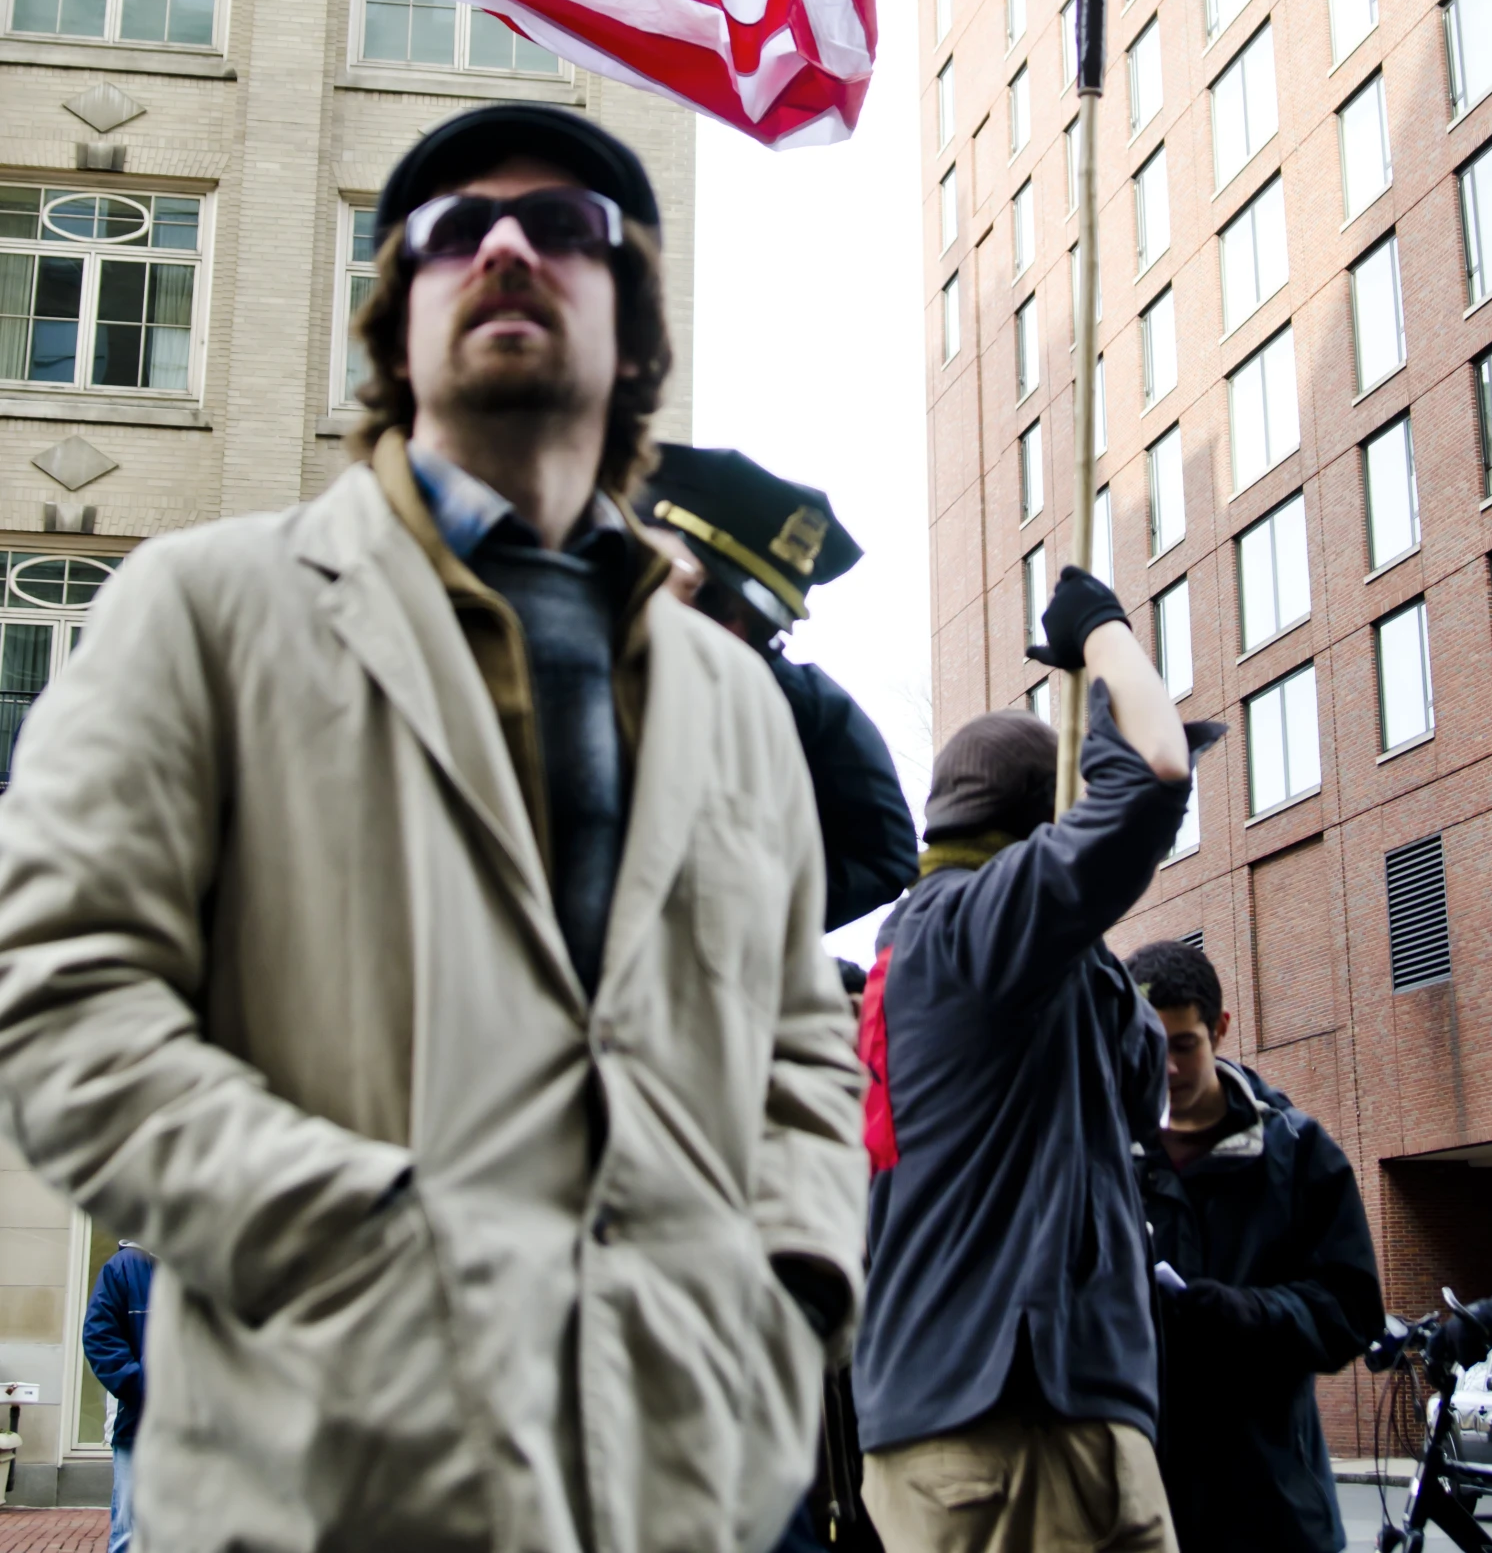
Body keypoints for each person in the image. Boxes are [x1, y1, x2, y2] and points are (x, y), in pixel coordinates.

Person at [0, 103, 866, 1553]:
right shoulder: (200, 607)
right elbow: (64, 1001)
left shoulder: (730, 695)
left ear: (636, 328)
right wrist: (382, 1239)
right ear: (393, 328)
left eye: (566, 227)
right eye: (455, 229)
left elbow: (796, 1049)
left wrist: (786, 1299)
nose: (508, 243)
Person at [852, 566, 1222, 1553]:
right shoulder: (976, 929)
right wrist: (1099, 633)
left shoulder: (950, 955)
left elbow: (1137, 1086)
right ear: (1031, 839)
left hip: (1027, 1413)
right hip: (1009, 1424)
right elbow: (1150, 770)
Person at [1125, 939, 1384, 1553]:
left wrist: (1253, 1315)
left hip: (1271, 1508)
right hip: (1136, 1508)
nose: (1166, 1069)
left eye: (1183, 1046)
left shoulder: (1297, 1152)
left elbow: (1352, 1308)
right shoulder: (1101, 1156)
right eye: (1148, 1048)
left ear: (1219, 1028)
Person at [640, 445, 918, 930]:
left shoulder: (794, 702)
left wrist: (734, 922)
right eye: (713, 600)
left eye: (765, 631)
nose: (736, 642)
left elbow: (883, 854)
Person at [82, 1241, 151, 1553]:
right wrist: (148, 1389)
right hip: (137, 1426)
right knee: (129, 1532)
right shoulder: (124, 1267)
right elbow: (100, 1337)